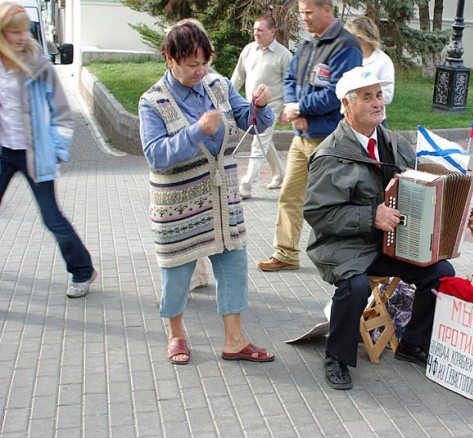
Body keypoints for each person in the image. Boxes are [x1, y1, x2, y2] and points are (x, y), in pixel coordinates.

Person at [303, 67, 473, 390]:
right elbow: (318, 215)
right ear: (347, 104)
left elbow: (425, 187)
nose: (377, 102)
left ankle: (414, 343)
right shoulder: (329, 154)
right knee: (356, 286)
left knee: (442, 272)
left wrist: (462, 210)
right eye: (368, 96)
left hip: (391, 243)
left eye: (379, 95)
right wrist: (371, 216)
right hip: (345, 246)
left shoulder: (395, 143)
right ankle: (337, 357)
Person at [138, 19, 275, 365]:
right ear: (170, 59)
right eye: (191, 64)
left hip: (222, 200)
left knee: (233, 265)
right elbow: (156, 155)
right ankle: (176, 334)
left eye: (204, 62)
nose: (200, 71)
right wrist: (196, 131)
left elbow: (249, 120)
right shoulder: (152, 101)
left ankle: (234, 340)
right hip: (178, 208)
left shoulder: (218, 84)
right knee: (177, 274)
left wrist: (259, 106)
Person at [256, 0, 362, 272]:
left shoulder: (345, 46)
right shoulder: (306, 44)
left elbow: (339, 91)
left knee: (329, 204)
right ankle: (285, 253)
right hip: (301, 137)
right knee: (289, 195)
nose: (304, 18)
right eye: (301, 12)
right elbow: (290, 79)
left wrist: (301, 108)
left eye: (308, 12)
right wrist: (294, 109)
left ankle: (342, 260)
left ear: (327, 10)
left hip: (330, 141)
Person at [0, 2, 97, 298]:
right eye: (12, 31)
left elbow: (63, 114)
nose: (20, 37)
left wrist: (55, 150)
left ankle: (82, 270)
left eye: (23, 30)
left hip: (34, 152)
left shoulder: (38, 64)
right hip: (4, 151)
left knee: (51, 217)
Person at [231, 14, 291, 199]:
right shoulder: (248, 50)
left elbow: (290, 84)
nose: (256, 33)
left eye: (260, 30)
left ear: (272, 31)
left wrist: (287, 108)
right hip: (251, 108)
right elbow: (238, 77)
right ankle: (280, 174)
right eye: (254, 29)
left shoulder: (284, 55)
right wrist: (224, 96)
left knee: (258, 144)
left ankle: (246, 186)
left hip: (271, 109)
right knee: (264, 142)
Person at [345, 16, 395, 127]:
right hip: (350, 120)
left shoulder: (383, 61)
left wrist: (365, 98)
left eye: (350, 37)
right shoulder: (349, 58)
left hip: (374, 121)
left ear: (362, 39)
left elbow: (387, 95)